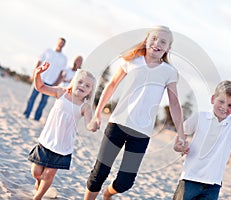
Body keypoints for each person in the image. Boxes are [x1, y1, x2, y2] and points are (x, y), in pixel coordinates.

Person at [84, 26, 186, 200]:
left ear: (168, 48)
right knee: (99, 173)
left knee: (125, 182)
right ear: (147, 40)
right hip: (117, 124)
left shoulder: (169, 72)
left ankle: (107, 193)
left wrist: (181, 134)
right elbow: (111, 85)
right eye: (154, 38)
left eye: (163, 41)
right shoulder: (131, 61)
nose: (157, 43)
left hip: (142, 133)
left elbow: (175, 104)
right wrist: (97, 114)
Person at [28, 62, 97, 200]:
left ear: (90, 91)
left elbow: (89, 124)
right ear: (74, 81)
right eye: (80, 82)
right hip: (46, 141)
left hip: (62, 147)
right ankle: (38, 182)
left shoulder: (85, 107)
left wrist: (94, 125)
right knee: (36, 172)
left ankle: (38, 197)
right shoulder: (61, 92)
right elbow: (40, 87)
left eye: (87, 85)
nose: (83, 86)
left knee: (48, 174)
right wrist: (37, 74)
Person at [23, 37, 68, 121]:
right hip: (39, 78)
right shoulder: (48, 51)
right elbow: (38, 62)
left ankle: (37, 118)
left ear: (64, 45)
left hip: (51, 82)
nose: (60, 44)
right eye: (60, 42)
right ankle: (26, 114)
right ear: (57, 42)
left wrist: (56, 83)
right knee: (31, 97)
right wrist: (34, 74)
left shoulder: (64, 58)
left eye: (62, 43)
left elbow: (61, 73)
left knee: (43, 102)